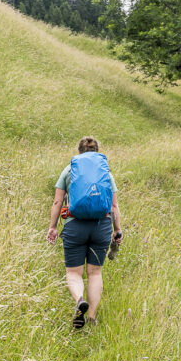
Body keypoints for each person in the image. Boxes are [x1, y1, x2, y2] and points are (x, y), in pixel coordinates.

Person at [46, 136, 122, 329]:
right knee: (95, 273)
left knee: (73, 273)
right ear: (97, 151)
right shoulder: (106, 172)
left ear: (79, 151)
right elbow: (113, 206)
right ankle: (92, 317)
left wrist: (53, 227)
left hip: (75, 225)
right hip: (101, 226)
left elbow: (57, 202)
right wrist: (117, 230)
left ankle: (80, 300)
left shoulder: (70, 169)